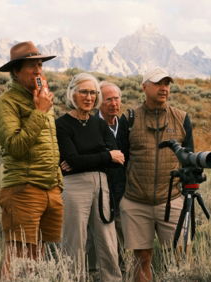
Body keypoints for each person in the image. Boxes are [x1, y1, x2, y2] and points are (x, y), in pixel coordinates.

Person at [0, 41, 63, 278]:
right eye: (32, 66)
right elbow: (15, 147)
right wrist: (40, 112)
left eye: (40, 64)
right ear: (16, 71)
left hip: (50, 188)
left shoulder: (42, 99)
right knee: (17, 254)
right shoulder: (6, 103)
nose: (38, 70)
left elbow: (49, 144)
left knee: (38, 255)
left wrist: (57, 182)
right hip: (23, 189)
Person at [120, 67, 194, 282]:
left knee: (181, 258)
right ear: (144, 87)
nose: (164, 88)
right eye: (158, 83)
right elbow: (121, 159)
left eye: (167, 84)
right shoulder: (130, 118)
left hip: (171, 199)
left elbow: (188, 159)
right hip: (136, 201)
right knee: (141, 259)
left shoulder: (181, 118)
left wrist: (186, 192)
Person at [56, 73, 124, 281]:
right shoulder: (62, 125)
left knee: (108, 239)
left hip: (102, 185)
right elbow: (74, 160)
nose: (89, 97)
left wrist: (90, 159)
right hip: (74, 186)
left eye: (93, 93)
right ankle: (72, 278)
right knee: (74, 240)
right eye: (84, 92)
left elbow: (118, 156)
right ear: (72, 94)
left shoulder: (99, 124)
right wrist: (105, 156)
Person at [87, 81, 129, 274]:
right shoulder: (90, 125)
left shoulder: (127, 126)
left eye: (117, 98)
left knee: (123, 239)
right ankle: (94, 273)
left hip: (124, 193)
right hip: (98, 193)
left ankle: (123, 272)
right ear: (99, 102)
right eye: (108, 99)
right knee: (96, 240)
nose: (114, 103)